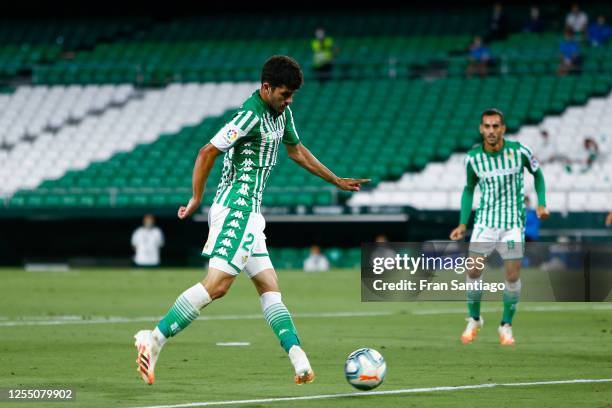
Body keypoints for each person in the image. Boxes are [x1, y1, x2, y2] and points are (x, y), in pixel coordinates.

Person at [133, 55, 369, 386]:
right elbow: (206, 152)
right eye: (284, 94)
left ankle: (299, 359)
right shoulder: (248, 116)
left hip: (252, 213)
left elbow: (296, 151)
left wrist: (336, 180)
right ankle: (153, 338)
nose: (289, 101)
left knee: (269, 287)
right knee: (218, 285)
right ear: (266, 87)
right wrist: (196, 198)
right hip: (237, 208)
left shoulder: (282, 113)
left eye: (292, 96)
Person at [449, 108, 549, 346]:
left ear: (503, 128)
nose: (491, 131)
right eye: (487, 126)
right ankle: (474, 319)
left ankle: (506, 325)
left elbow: (539, 175)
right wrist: (463, 223)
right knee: (473, 271)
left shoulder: (519, 152)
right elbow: (468, 189)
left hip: (513, 225)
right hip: (485, 223)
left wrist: (542, 204)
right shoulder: (473, 158)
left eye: (496, 126)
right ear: (481, 129)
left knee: (512, 275)